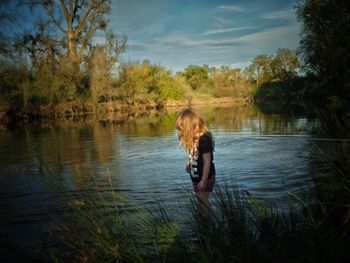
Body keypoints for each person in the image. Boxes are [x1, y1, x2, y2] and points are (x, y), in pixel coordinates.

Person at [176, 108, 216, 212]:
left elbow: (207, 162)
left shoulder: (204, 139)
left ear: (189, 126)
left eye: (182, 128)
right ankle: (201, 220)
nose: (181, 131)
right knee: (199, 200)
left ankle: (207, 222)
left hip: (205, 177)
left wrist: (203, 180)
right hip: (196, 177)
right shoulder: (192, 138)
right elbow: (193, 154)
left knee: (203, 200)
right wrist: (189, 163)